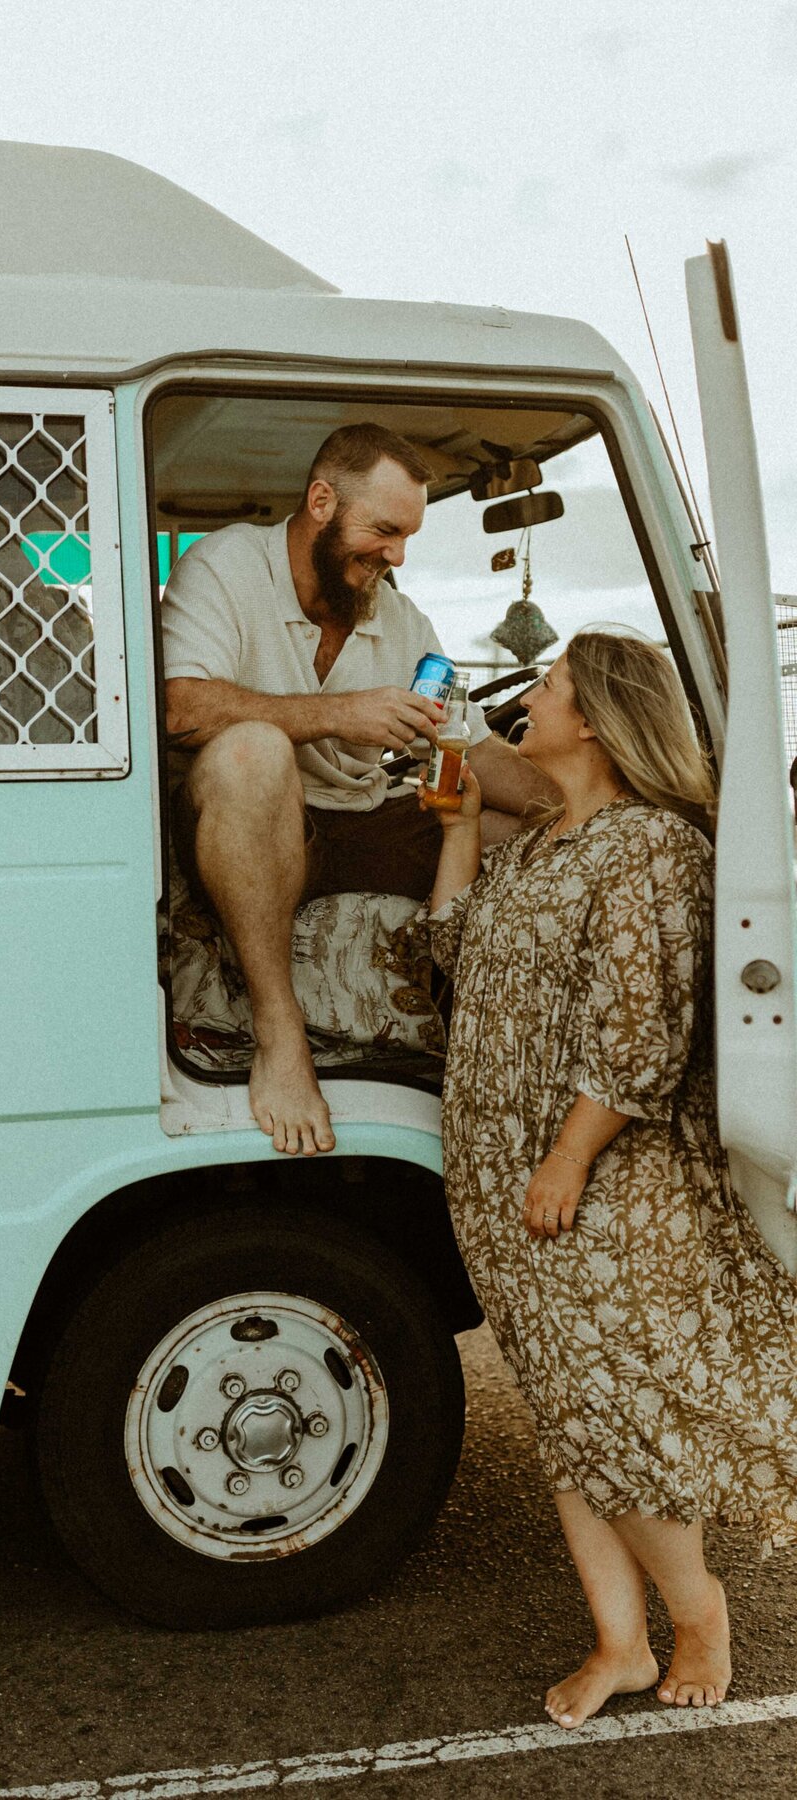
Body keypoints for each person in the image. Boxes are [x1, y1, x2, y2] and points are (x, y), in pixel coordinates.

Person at [421, 630, 797, 1730]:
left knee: (620, 1411)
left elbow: (642, 1037)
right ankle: (620, 1644)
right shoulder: (541, 840)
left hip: (591, 1177)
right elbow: (451, 953)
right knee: (565, 1414)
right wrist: (455, 834)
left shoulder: (649, 850)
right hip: (498, 1175)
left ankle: (703, 1617)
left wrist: (568, 1156)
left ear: (593, 718)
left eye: (544, 687)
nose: (524, 702)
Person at [161, 423, 554, 1157]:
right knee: (253, 750)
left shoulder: (400, 620)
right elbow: (179, 709)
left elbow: (476, 742)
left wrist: (584, 807)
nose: (397, 556)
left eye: (408, 537)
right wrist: (340, 714)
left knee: (533, 832)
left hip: (361, 823)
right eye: (383, 530)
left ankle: (518, 1065)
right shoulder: (226, 566)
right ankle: (281, 1042)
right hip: (249, 820)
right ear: (320, 502)